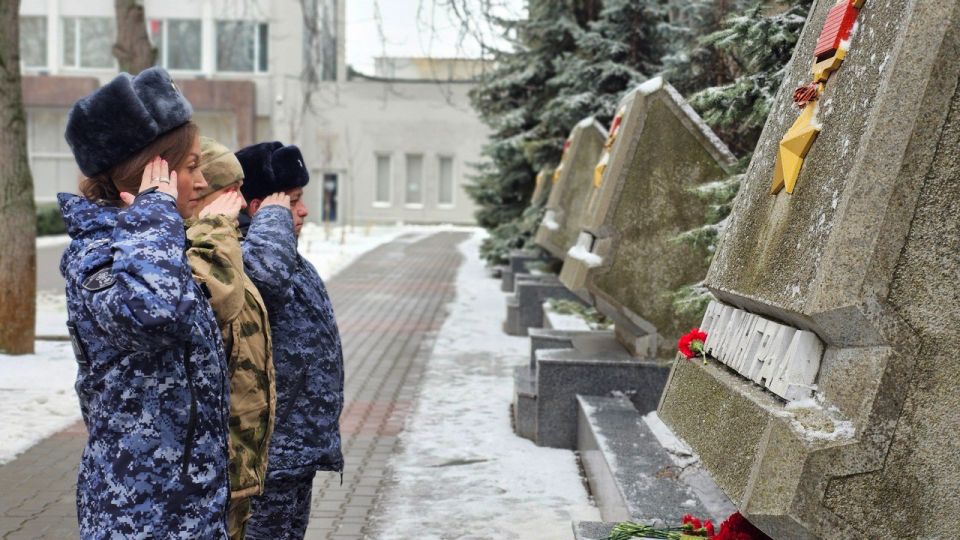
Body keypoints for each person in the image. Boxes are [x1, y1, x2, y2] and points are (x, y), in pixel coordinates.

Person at [58, 67, 231, 539]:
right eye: (190, 166)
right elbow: (153, 317)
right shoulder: (96, 253)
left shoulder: (151, 244)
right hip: (139, 517)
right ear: (151, 171)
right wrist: (155, 211)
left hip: (189, 510)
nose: (201, 181)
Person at [233, 142, 344, 539]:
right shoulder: (244, 258)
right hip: (269, 458)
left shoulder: (288, 257)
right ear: (257, 208)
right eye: (292, 202)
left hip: (297, 451)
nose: (303, 211)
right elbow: (265, 282)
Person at [183, 137, 282, 539]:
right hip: (211, 474)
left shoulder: (224, 250)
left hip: (238, 470)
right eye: (231, 192)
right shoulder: (187, 257)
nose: (241, 204)